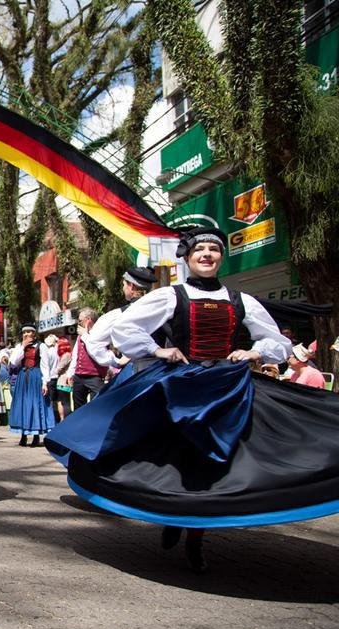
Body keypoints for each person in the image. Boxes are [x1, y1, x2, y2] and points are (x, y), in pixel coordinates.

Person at [42, 225, 331, 574]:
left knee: (218, 462)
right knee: (175, 457)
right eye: (201, 250)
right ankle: (175, 517)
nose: (208, 255)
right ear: (189, 257)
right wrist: (158, 351)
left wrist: (252, 352)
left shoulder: (241, 301)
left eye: (215, 250)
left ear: (221, 257)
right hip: (183, 387)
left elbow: (277, 342)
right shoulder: (171, 296)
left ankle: (195, 533)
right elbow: (125, 328)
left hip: (228, 388)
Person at [83, 266, 158, 384]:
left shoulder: (118, 315)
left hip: (138, 372)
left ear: (131, 287)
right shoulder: (162, 309)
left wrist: (116, 361)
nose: (123, 289)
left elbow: (93, 343)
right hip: (165, 370)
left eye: (124, 285)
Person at [7, 325, 56, 447]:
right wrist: (22, 346)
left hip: (35, 377)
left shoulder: (41, 346)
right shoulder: (20, 346)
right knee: (23, 405)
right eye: (24, 332)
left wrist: (45, 383)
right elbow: (13, 361)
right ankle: (23, 435)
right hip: (23, 377)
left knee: (35, 404)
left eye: (28, 332)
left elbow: (45, 365)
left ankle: (36, 436)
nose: (26, 334)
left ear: (34, 333)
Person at [65, 308, 106, 407]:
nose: (78, 323)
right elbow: (75, 355)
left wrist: (85, 335)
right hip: (79, 376)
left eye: (80, 320)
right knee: (78, 406)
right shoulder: (80, 336)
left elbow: (98, 350)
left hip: (95, 376)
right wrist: (70, 373)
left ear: (88, 319)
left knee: (98, 404)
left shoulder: (100, 332)